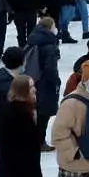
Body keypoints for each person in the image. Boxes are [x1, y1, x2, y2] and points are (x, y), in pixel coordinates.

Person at [25, 17, 61, 151]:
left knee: (35, 112)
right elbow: (50, 68)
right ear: (50, 27)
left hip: (33, 80)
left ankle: (33, 140)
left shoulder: (33, 39)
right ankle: (40, 142)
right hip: (45, 83)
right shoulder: (48, 45)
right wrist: (56, 81)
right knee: (43, 114)